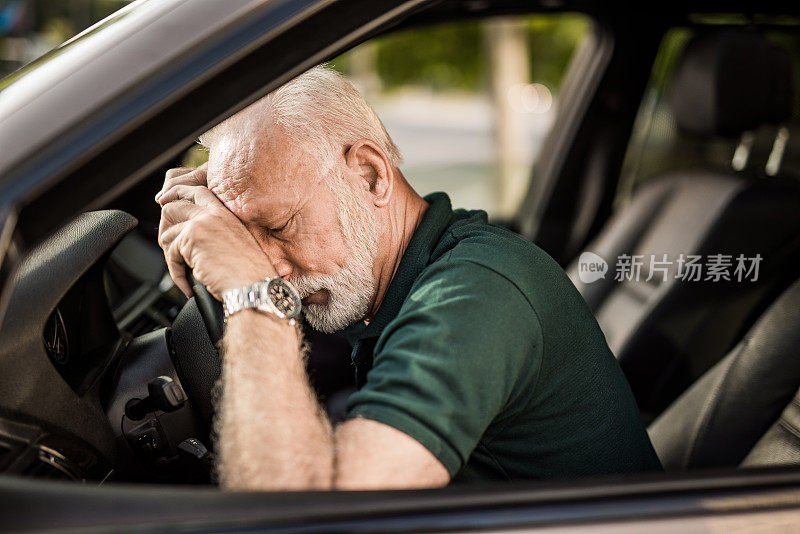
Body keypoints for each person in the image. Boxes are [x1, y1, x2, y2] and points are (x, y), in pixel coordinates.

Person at [155, 65, 662, 491]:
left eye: (280, 225)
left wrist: (252, 294)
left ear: (372, 174)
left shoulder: (478, 290)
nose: (274, 267)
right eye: (246, 238)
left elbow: (306, 516)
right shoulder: (399, 276)